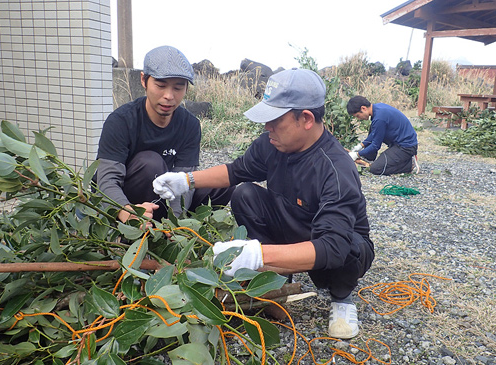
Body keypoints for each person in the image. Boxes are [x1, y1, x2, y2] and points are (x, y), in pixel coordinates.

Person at [152, 68, 374, 339]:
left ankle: (342, 298)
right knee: (245, 194)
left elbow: (332, 247)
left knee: (348, 246)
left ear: (305, 118)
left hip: (335, 249)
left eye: (274, 120)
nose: (266, 127)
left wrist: (256, 254)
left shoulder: (335, 169)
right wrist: (186, 180)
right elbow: (236, 171)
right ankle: (276, 280)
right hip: (297, 225)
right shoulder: (274, 143)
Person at [96, 45, 233, 223]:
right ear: (144, 80)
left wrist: (174, 224)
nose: (169, 96)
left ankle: (171, 232)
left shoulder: (190, 125)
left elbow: (185, 183)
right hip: (130, 202)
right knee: (151, 164)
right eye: (161, 85)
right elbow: (107, 179)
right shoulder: (121, 121)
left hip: (165, 197)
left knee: (221, 185)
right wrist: (125, 211)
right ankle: (133, 232)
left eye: (178, 88)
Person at [346, 95, 420, 175]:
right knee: (373, 128)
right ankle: (369, 158)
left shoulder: (379, 118)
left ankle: (409, 164)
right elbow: (374, 133)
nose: (359, 118)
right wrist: (361, 146)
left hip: (406, 147)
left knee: (375, 169)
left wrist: (357, 154)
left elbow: (375, 145)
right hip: (397, 143)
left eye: (358, 116)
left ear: (363, 108)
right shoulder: (377, 108)